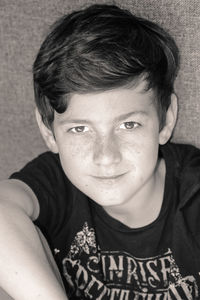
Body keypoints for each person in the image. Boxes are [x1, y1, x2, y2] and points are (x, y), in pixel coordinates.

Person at [0, 3, 200, 299]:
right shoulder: (55, 183)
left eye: (129, 125)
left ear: (165, 120)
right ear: (49, 132)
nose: (106, 156)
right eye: (80, 129)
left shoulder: (192, 193)